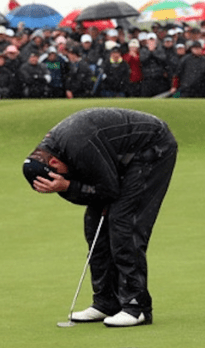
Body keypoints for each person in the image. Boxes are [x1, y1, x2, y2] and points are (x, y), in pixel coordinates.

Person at [22, 108, 178, 327]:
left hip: (152, 147)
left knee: (123, 222)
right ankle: (107, 302)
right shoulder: (54, 151)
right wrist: (69, 186)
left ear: (54, 164)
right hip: (121, 158)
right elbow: (91, 192)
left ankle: (137, 306)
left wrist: (67, 186)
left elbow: (109, 190)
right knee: (94, 224)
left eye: (60, 176)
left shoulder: (78, 147)